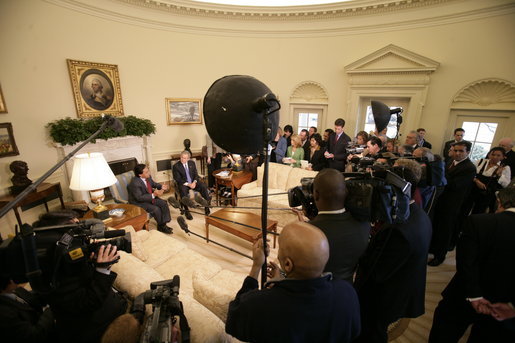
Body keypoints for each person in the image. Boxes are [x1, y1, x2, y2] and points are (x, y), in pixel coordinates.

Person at [225, 221, 361, 343]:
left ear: (288, 265)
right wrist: (281, 282)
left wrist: (256, 266)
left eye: (279, 247)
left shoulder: (259, 305)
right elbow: (354, 331)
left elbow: (233, 321)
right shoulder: (347, 293)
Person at [354, 161, 432, 343]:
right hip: (403, 287)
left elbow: (378, 272)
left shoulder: (397, 228)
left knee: (371, 333)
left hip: (384, 298)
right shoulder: (418, 214)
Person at [429, 186, 515, 343]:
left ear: (500, 202)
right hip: (502, 309)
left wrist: (475, 296)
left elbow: (465, 263)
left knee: (443, 336)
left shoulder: (479, 222)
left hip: (462, 297)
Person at [309, 169, 370, 282]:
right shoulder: (364, 225)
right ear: (346, 192)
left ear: (316, 195)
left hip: (315, 294)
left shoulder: (307, 233)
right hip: (347, 291)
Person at [428, 141, 476, 266]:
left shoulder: (469, 167)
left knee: (445, 230)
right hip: (440, 199)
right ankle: (433, 248)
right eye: (455, 150)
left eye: (461, 151)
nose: (457, 153)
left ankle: (440, 256)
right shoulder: (450, 161)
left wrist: (440, 173)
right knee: (436, 225)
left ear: (468, 152)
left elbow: (455, 185)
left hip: (452, 203)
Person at [0, 275, 56, 343]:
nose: (15, 279)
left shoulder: (11, 290)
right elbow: (34, 336)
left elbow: (32, 299)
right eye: (10, 278)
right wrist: (50, 309)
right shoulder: (4, 314)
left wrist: (51, 292)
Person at [128, 164, 172, 234]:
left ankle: (163, 224)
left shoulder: (147, 176)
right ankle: (162, 226)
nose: (149, 173)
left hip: (148, 197)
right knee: (156, 209)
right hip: (138, 203)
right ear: (140, 174)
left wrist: (161, 186)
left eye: (148, 171)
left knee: (163, 203)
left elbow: (154, 184)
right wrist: (154, 194)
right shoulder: (135, 183)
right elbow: (139, 198)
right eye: (146, 172)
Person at [465, 147, 511, 214]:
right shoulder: (480, 161)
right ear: (489, 155)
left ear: (503, 157)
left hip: (486, 194)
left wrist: (499, 175)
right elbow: (469, 174)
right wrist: (476, 181)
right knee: (465, 208)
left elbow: (506, 184)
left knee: (478, 212)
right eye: (493, 154)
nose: (495, 157)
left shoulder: (505, 168)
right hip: (472, 190)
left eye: (498, 155)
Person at [172, 150, 211, 219]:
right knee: (182, 191)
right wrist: (189, 184)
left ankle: (206, 206)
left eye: (184, 158)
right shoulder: (176, 166)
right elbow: (178, 179)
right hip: (184, 184)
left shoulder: (191, 163)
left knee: (203, 186)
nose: (182, 159)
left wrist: (194, 182)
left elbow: (196, 174)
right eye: (181, 157)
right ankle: (187, 210)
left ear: (188, 158)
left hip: (193, 182)